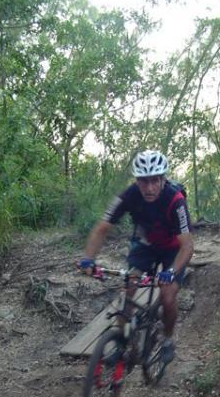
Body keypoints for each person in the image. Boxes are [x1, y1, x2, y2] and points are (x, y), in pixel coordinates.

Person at [78, 149, 194, 364]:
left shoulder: (175, 200)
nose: (149, 188)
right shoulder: (129, 194)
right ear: (136, 181)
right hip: (145, 244)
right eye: (143, 182)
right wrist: (88, 259)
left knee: (168, 296)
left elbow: (187, 246)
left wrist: (170, 272)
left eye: (154, 181)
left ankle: (167, 340)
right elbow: (102, 227)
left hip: (173, 248)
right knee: (128, 288)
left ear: (162, 179)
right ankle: (122, 343)